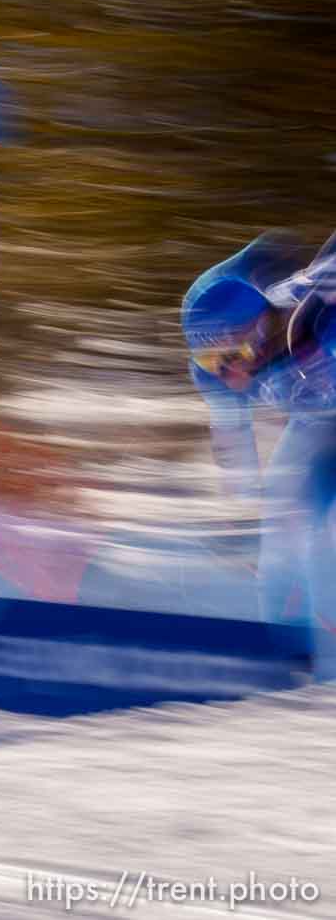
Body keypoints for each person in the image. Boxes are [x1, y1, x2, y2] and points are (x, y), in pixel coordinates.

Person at [185, 231, 336, 659]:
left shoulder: (319, 330)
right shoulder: (214, 370)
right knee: (282, 530)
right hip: (317, 418)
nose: (225, 373)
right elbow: (232, 440)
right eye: (210, 360)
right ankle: (286, 651)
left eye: (234, 355)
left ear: (263, 333)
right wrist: (243, 510)